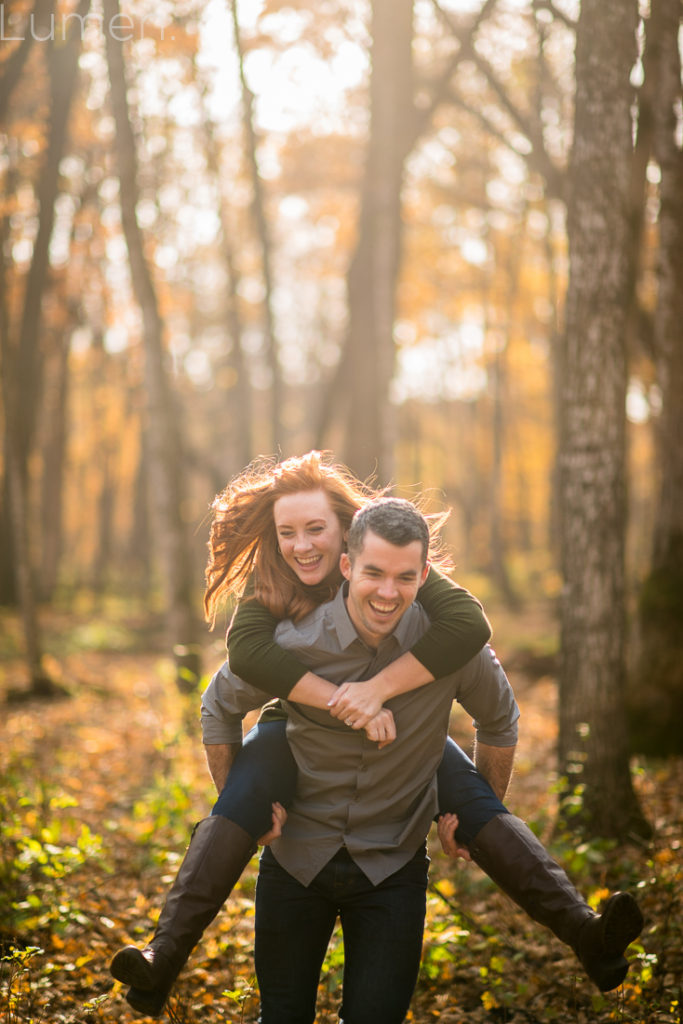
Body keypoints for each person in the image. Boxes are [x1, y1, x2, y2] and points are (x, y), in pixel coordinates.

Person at [110, 454, 642, 1017]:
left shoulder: (432, 611)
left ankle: (589, 935)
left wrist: (467, 822)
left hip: (393, 851)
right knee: (251, 782)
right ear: (348, 564)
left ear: (350, 533)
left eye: (315, 528)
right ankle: (163, 955)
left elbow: (488, 684)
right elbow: (231, 679)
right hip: (297, 819)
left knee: (467, 792)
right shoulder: (278, 610)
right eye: (289, 532)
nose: (302, 545)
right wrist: (343, 702)